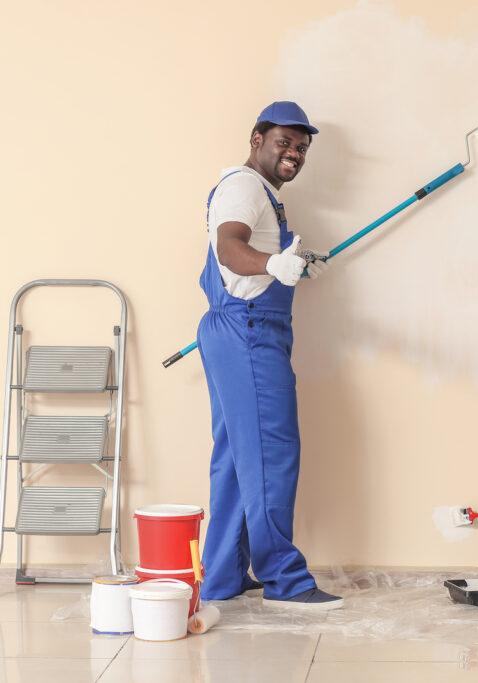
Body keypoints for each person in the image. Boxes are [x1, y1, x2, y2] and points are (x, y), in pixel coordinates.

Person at [197, 101, 342, 610]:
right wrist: (271, 263)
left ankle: (223, 577)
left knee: (239, 459)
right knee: (272, 454)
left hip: (239, 328)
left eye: (301, 148)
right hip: (249, 332)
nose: (294, 154)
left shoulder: (260, 193)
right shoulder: (242, 186)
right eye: (284, 142)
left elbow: (248, 256)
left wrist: (294, 261)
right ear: (257, 138)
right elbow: (229, 248)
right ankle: (284, 578)